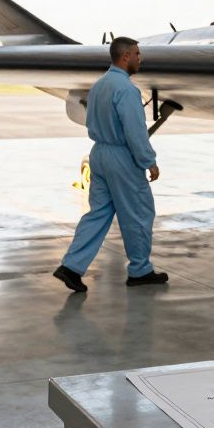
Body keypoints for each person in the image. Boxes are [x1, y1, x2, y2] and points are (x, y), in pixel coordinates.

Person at [53, 37, 166, 292]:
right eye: (137, 54)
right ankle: (140, 270)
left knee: (98, 213)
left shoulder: (99, 85)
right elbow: (135, 132)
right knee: (138, 213)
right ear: (125, 56)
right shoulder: (126, 90)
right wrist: (149, 162)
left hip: (99, 154)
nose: (140, 58)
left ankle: (71, 266)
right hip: (121, 157)